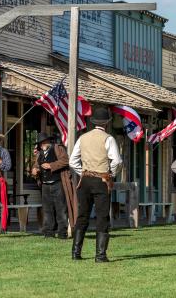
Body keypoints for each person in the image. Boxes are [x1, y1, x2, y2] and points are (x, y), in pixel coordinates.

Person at [69, 107, 122, 263]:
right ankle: (100, 255)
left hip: (84, 179)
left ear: (93, 122)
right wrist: (110, 173)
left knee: (82, 215)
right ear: (106, 123)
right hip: (101, 180)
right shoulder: (108, 138)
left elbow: (73, 161)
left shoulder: (82, 138)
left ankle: (75, 253)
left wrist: (83, 172)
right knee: (102, 216)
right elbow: (117, 161)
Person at [31, 132, 77, 239]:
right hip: (45, 185)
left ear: (48, 141)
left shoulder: (58, 148)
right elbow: (36, 165)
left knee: (61, 209)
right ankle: (48, 232)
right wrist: (35, 169)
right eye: (40, 143)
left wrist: (51, 165)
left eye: (43, 142)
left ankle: (62, 233)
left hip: (58, 183)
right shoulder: (40, 153)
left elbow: (66, 161)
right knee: (47, 210)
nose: (42, 144)